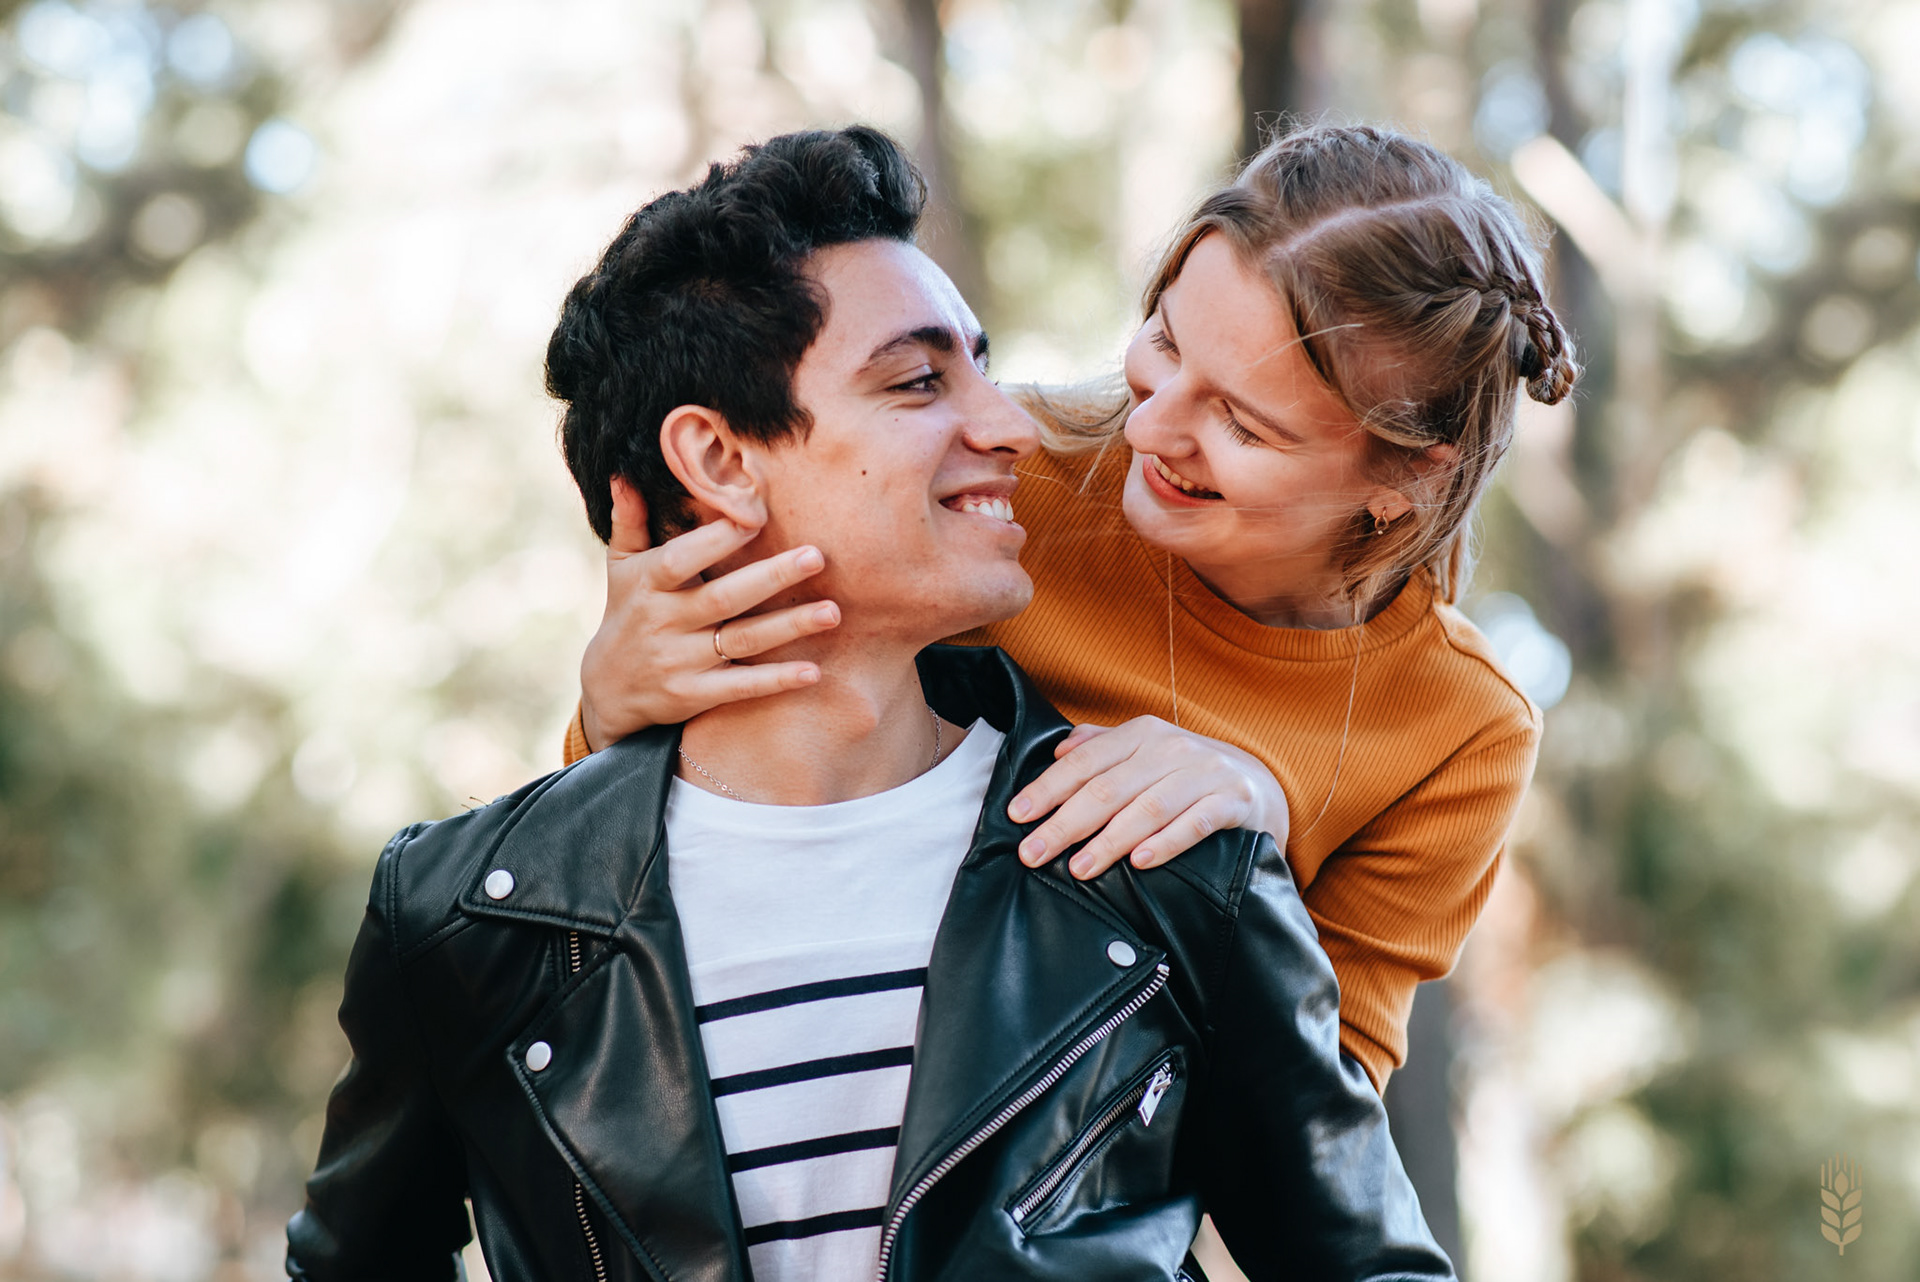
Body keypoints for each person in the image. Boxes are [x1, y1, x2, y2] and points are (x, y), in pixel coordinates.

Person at [286, 126, 1451, 1282]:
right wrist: (608, 718)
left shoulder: (1175, 871)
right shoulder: (462, 920)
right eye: (916, 381)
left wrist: (1253, 794)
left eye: (983, 367)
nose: (1012, 426)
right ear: (721, 461)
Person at [564, 122, 1579, 1092]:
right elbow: (683, 820)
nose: (1153, 425)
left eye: (1243, 424)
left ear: (1399, 478)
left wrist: (1254, 832)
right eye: (1168, 345)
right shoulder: (1006, 485)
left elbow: (1320, 1112)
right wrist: (606, 711)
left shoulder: (1458, 728)